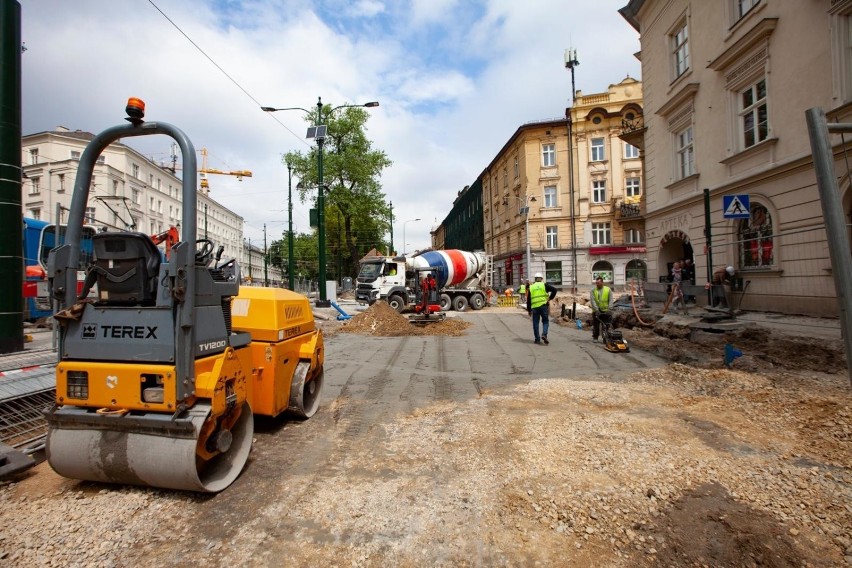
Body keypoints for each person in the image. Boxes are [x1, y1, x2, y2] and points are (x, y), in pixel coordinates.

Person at [527, 273, 557, 345]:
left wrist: (529, 310)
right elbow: (554, 290)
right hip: (543, 306)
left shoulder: (531, 287)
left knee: (535, 323)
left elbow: (528, 300)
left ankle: (537, 339)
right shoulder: (544, 285)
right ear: (542, 279)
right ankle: (544, 334)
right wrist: (550, 298)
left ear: (535, 279)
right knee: (545, 321)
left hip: (534, 307)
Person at [590, 276, 613, 342]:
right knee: (596, 325)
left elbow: (611, 300)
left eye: (598, 283)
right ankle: (595, 337)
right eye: (596, 283)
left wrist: (610, 309)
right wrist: (596, 310)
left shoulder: (608, 289)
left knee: (606, 325)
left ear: (602, 282)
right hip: (596, 310)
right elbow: (592, 300)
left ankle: (606, 337)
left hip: (606, 310)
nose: (597, 284)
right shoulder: (593, 290)